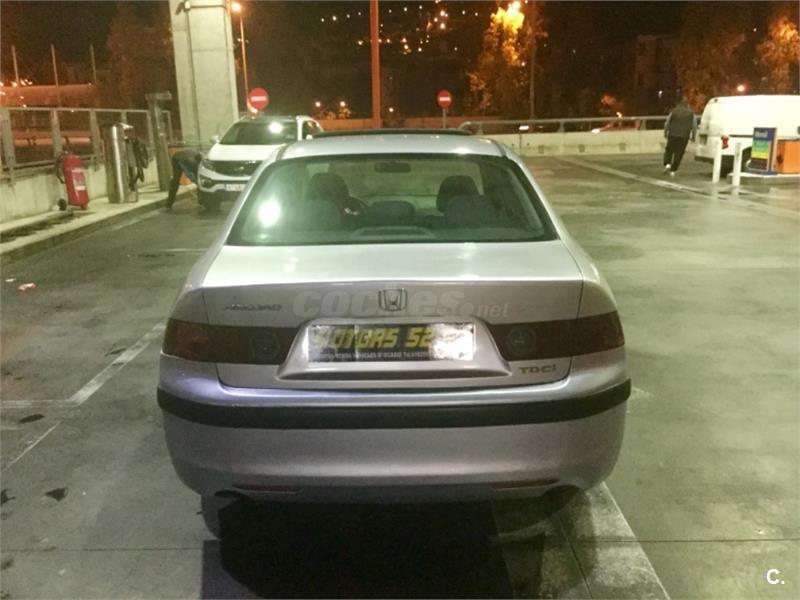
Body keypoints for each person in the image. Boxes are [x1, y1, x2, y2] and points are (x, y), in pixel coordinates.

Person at [663, 98, 697, 177]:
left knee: (669, 150)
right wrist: (693, 136)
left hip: (673, 134)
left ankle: (667, 164)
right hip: (684, 136)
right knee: (679, 153)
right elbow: (694, 126)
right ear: (687, 105)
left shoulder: (673, 111)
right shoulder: (691, 114)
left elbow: (667, 123)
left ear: (679, 104)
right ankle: (673, 170)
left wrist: (665, 132)